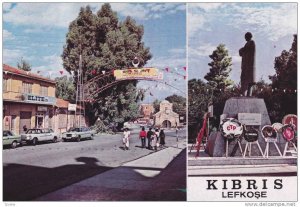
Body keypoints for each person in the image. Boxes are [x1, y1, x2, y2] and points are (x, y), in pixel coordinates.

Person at [239, 32, 256, 96]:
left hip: (249, 66)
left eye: (246, 37)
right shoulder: (247, 44)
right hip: (246, 66)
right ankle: (246, 94)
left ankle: (248, 94)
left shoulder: (251, 43)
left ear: (248, 37)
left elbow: (244, 51)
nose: (245, 38)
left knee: (249, 81)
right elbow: (242, 52)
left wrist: (241, 50)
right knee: (247, 80)